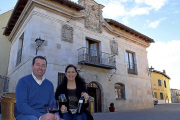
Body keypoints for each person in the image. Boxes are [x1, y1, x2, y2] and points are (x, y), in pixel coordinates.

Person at [15, 56, 60, 120]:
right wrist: (40, 116)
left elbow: (52, 103)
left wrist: (55, 113)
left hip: (43, 114)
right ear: (32, 66)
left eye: (43, 65)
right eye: (37, 65)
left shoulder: (49, 85)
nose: (40, 68)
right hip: (24, 115)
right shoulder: (23, 81)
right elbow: (21, 105)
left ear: (46, 68)